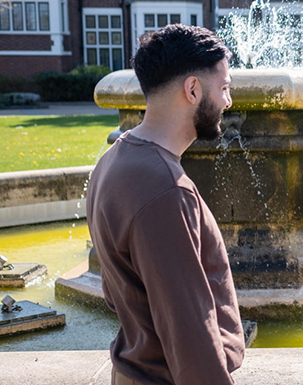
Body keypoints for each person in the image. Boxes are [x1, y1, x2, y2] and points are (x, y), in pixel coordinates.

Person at [87, 24, 244, 384]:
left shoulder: (114, 159)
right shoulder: (165, 189)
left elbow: (116, 294)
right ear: (192, 89)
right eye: (223, 88)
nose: (228, 102)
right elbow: (190, 331)